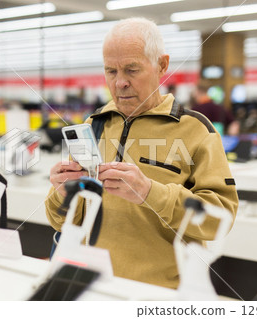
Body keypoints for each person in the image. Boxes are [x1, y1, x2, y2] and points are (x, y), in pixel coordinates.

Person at [45, 18, 238, 289]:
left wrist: (150, 192)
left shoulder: (196, 130)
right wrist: (62, 195)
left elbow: (220, 220)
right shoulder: (94, 125)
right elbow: (63, 222)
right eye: (110, 71)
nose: (120, 82)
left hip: (161, 295)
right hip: (93, 287)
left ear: (162, 65)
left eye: (131, 70)